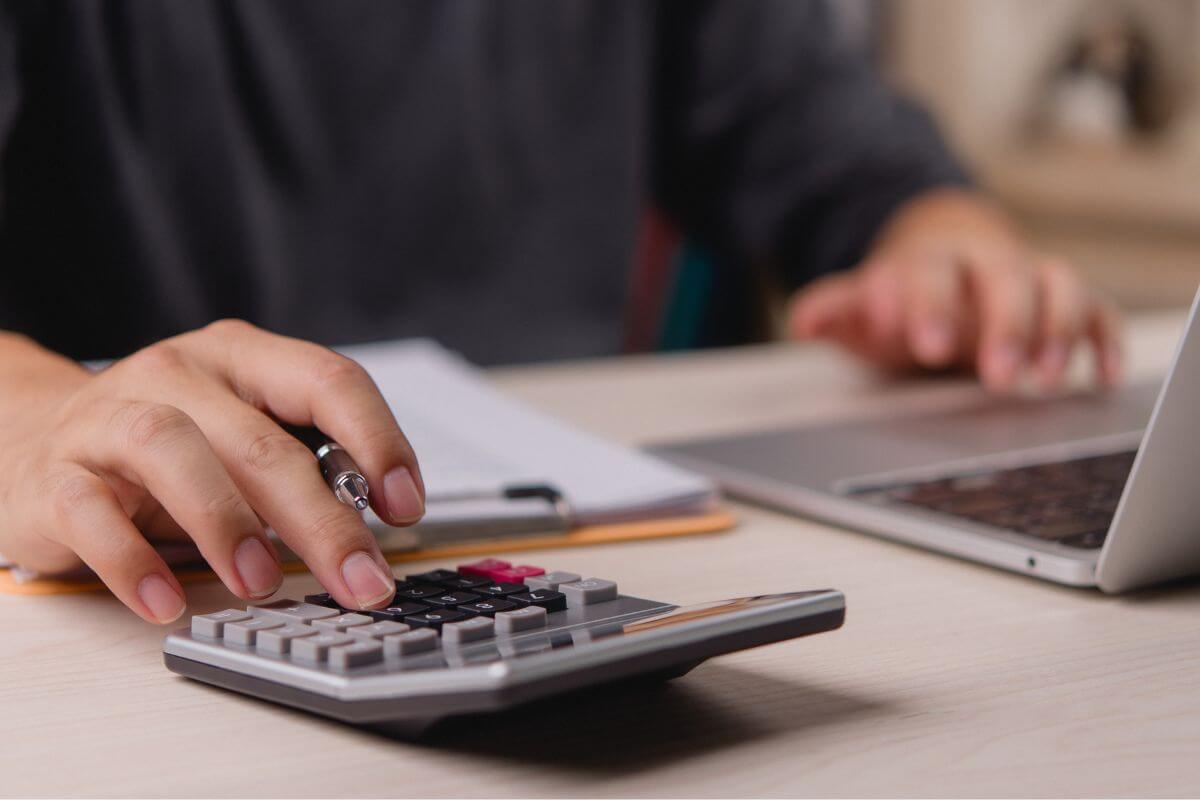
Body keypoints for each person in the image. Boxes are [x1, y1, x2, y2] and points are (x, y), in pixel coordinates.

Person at [0, 1, 1122, 623]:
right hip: (152, 611)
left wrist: (946, 250)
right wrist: (44, 417)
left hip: (593, 551)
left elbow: (861, 167)